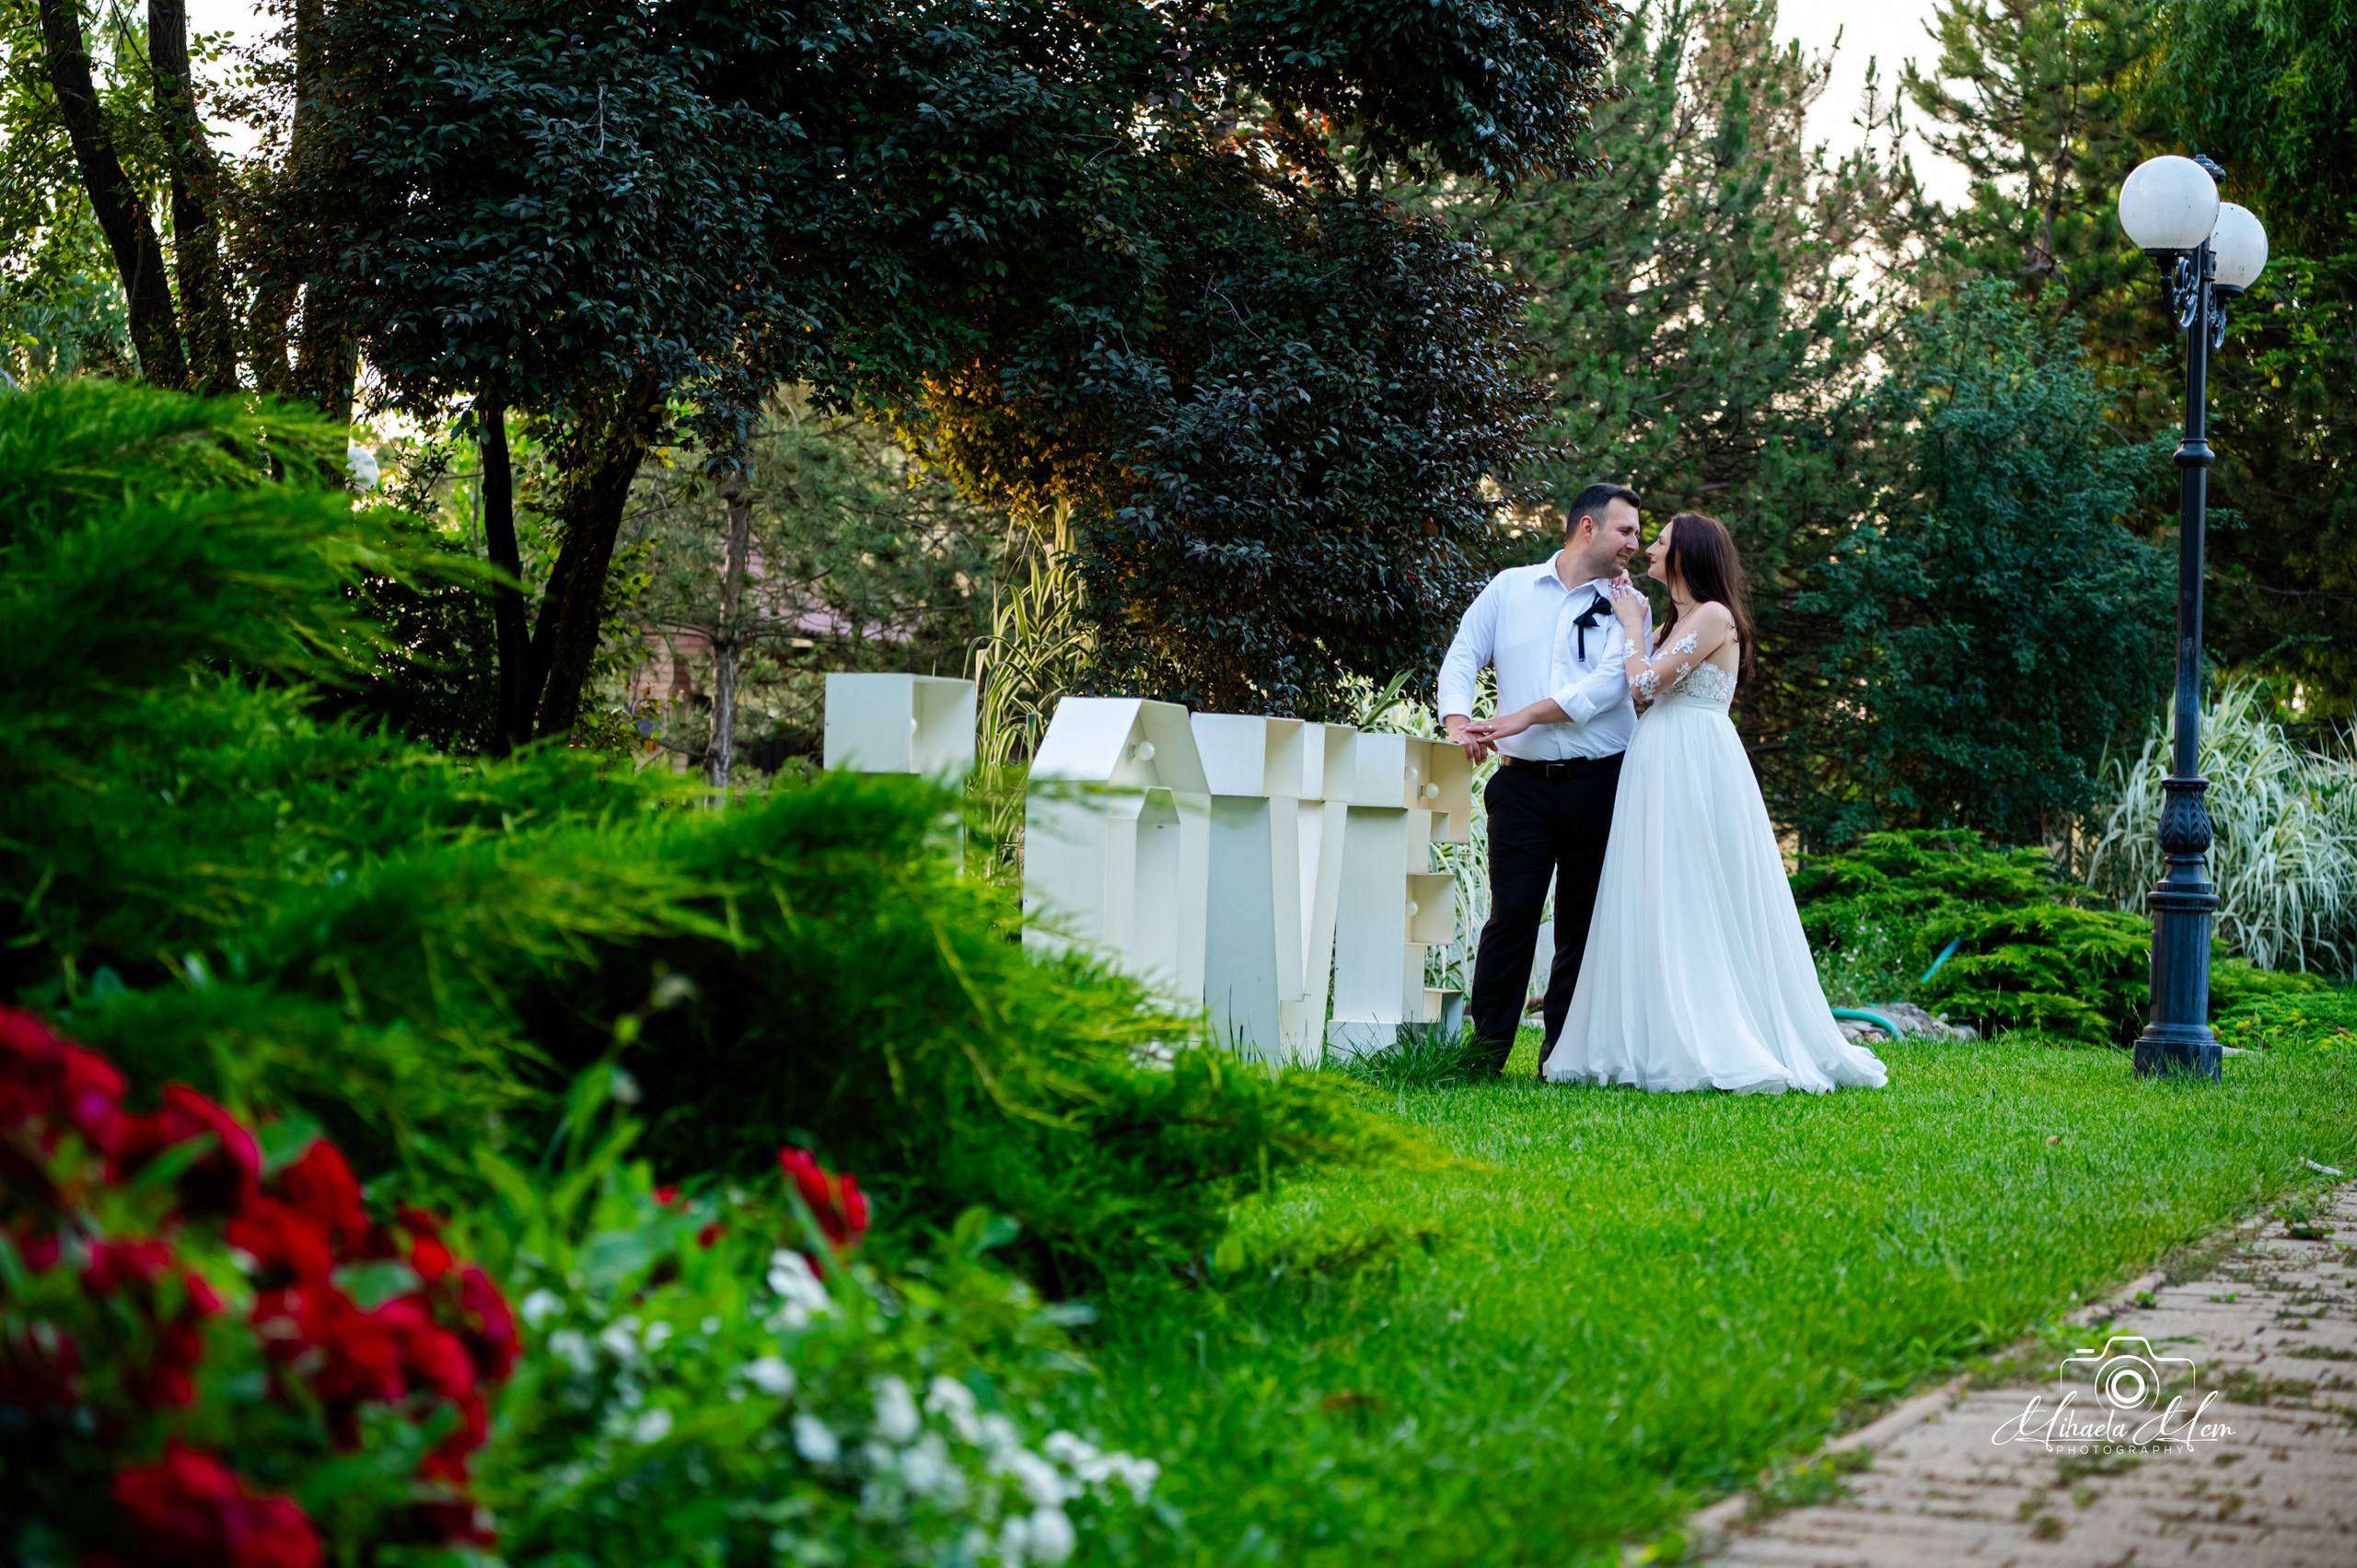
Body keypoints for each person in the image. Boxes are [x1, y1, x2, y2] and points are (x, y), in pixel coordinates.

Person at [1470, 511, 1887, 1094]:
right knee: (1655, 896)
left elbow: (1643, 685)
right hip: (1656, 762)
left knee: (1695, 894)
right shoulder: (1680, 618)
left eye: (1658, 542)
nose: (1646, 549)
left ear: (1686, 554)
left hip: (1695, 762)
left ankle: (1708, 1032)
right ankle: (1647, 1032)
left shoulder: (1713, 615)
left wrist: (1633, 626)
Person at [1437, 482, 1648, 1079]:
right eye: (1626, 530)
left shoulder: (1631, 604)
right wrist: (1459, 721)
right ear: (1588, 528)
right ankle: (1485, 1054)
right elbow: (1463, 653)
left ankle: (1562, 1056)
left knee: (1581, 923)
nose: (1636, 542)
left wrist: (1516, 717)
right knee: (1513, 915)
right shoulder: (1510, 588)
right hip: (1521, 786)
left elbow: (1607, 688)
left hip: (1602, 782)